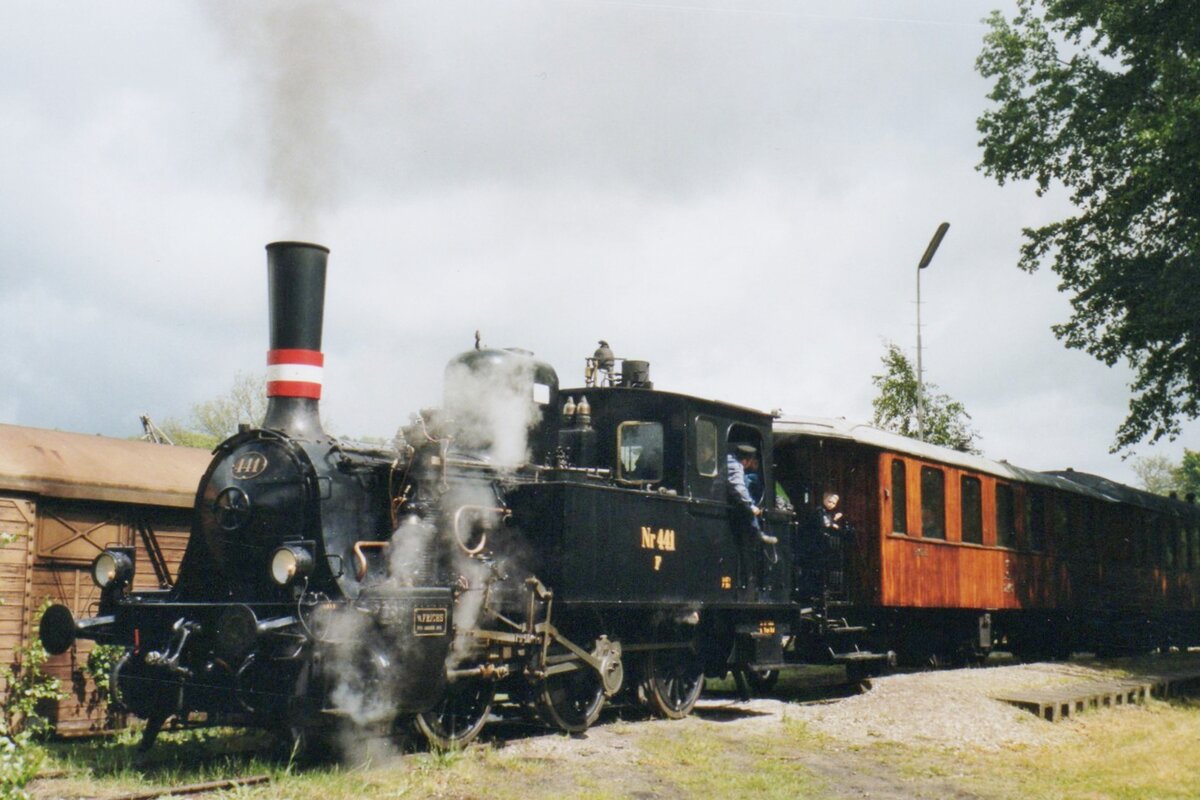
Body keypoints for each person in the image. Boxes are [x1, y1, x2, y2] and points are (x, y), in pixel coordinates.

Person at [726, 444, 777, 545]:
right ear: (745, 461)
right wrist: (751, 506)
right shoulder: (736, 466)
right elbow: (739, 488)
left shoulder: (728, 459)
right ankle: (757, 534)